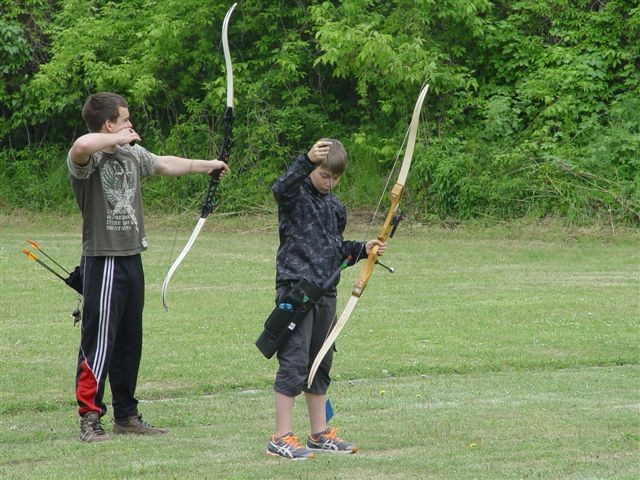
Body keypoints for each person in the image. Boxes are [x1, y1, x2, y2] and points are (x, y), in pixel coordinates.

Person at [68, 92, 229, 443]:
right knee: (99, 342)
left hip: (131, 258)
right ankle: (90, 418)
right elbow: (81, 144)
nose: (129, 125)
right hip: (104, 259)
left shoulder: (131, 154)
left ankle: (126, 415)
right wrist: (115, 139)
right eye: (124, 119)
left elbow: (164, 163)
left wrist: (208, 165)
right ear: (109, 124)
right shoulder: (90, 160)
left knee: (129, 342)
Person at [267, 139, 386, 459]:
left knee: (320, 362)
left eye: (335, 177)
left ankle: (319, 433)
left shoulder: (335, 206)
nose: (329, 182)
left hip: (326, 292)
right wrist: (306, 160)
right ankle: (280, 437)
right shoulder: (295, 195)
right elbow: (280, 187)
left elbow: (336, 250)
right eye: (323, 174)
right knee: (294, 360)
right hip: (296, 289)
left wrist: (364, 249)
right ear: (312, 170)